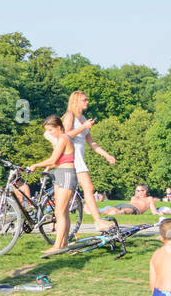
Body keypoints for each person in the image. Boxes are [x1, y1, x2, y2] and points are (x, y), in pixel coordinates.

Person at [62, 90, 117, 228]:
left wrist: (107, 155)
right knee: (88, 187)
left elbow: (91, 143)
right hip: (71, 156)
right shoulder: (70, 116)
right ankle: (98, 221)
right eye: (84, 100)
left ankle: (57, 223)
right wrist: (83, 127)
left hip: (78, 158)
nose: (87, 102)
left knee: (68, 194)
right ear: (76, 102)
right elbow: (65, 136)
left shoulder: (83, 118)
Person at [29, 115, 77, 254]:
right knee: (63, 212)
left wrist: (36, 165)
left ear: (59, 127)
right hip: (61, 173)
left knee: (60, 212)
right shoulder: (61, 140)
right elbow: (57, 161)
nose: (49, 133)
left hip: (67, 174)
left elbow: (53, 159)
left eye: (51, 130)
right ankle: (64, 243)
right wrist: (47, 168)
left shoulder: (63, 138)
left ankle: (57, 246)